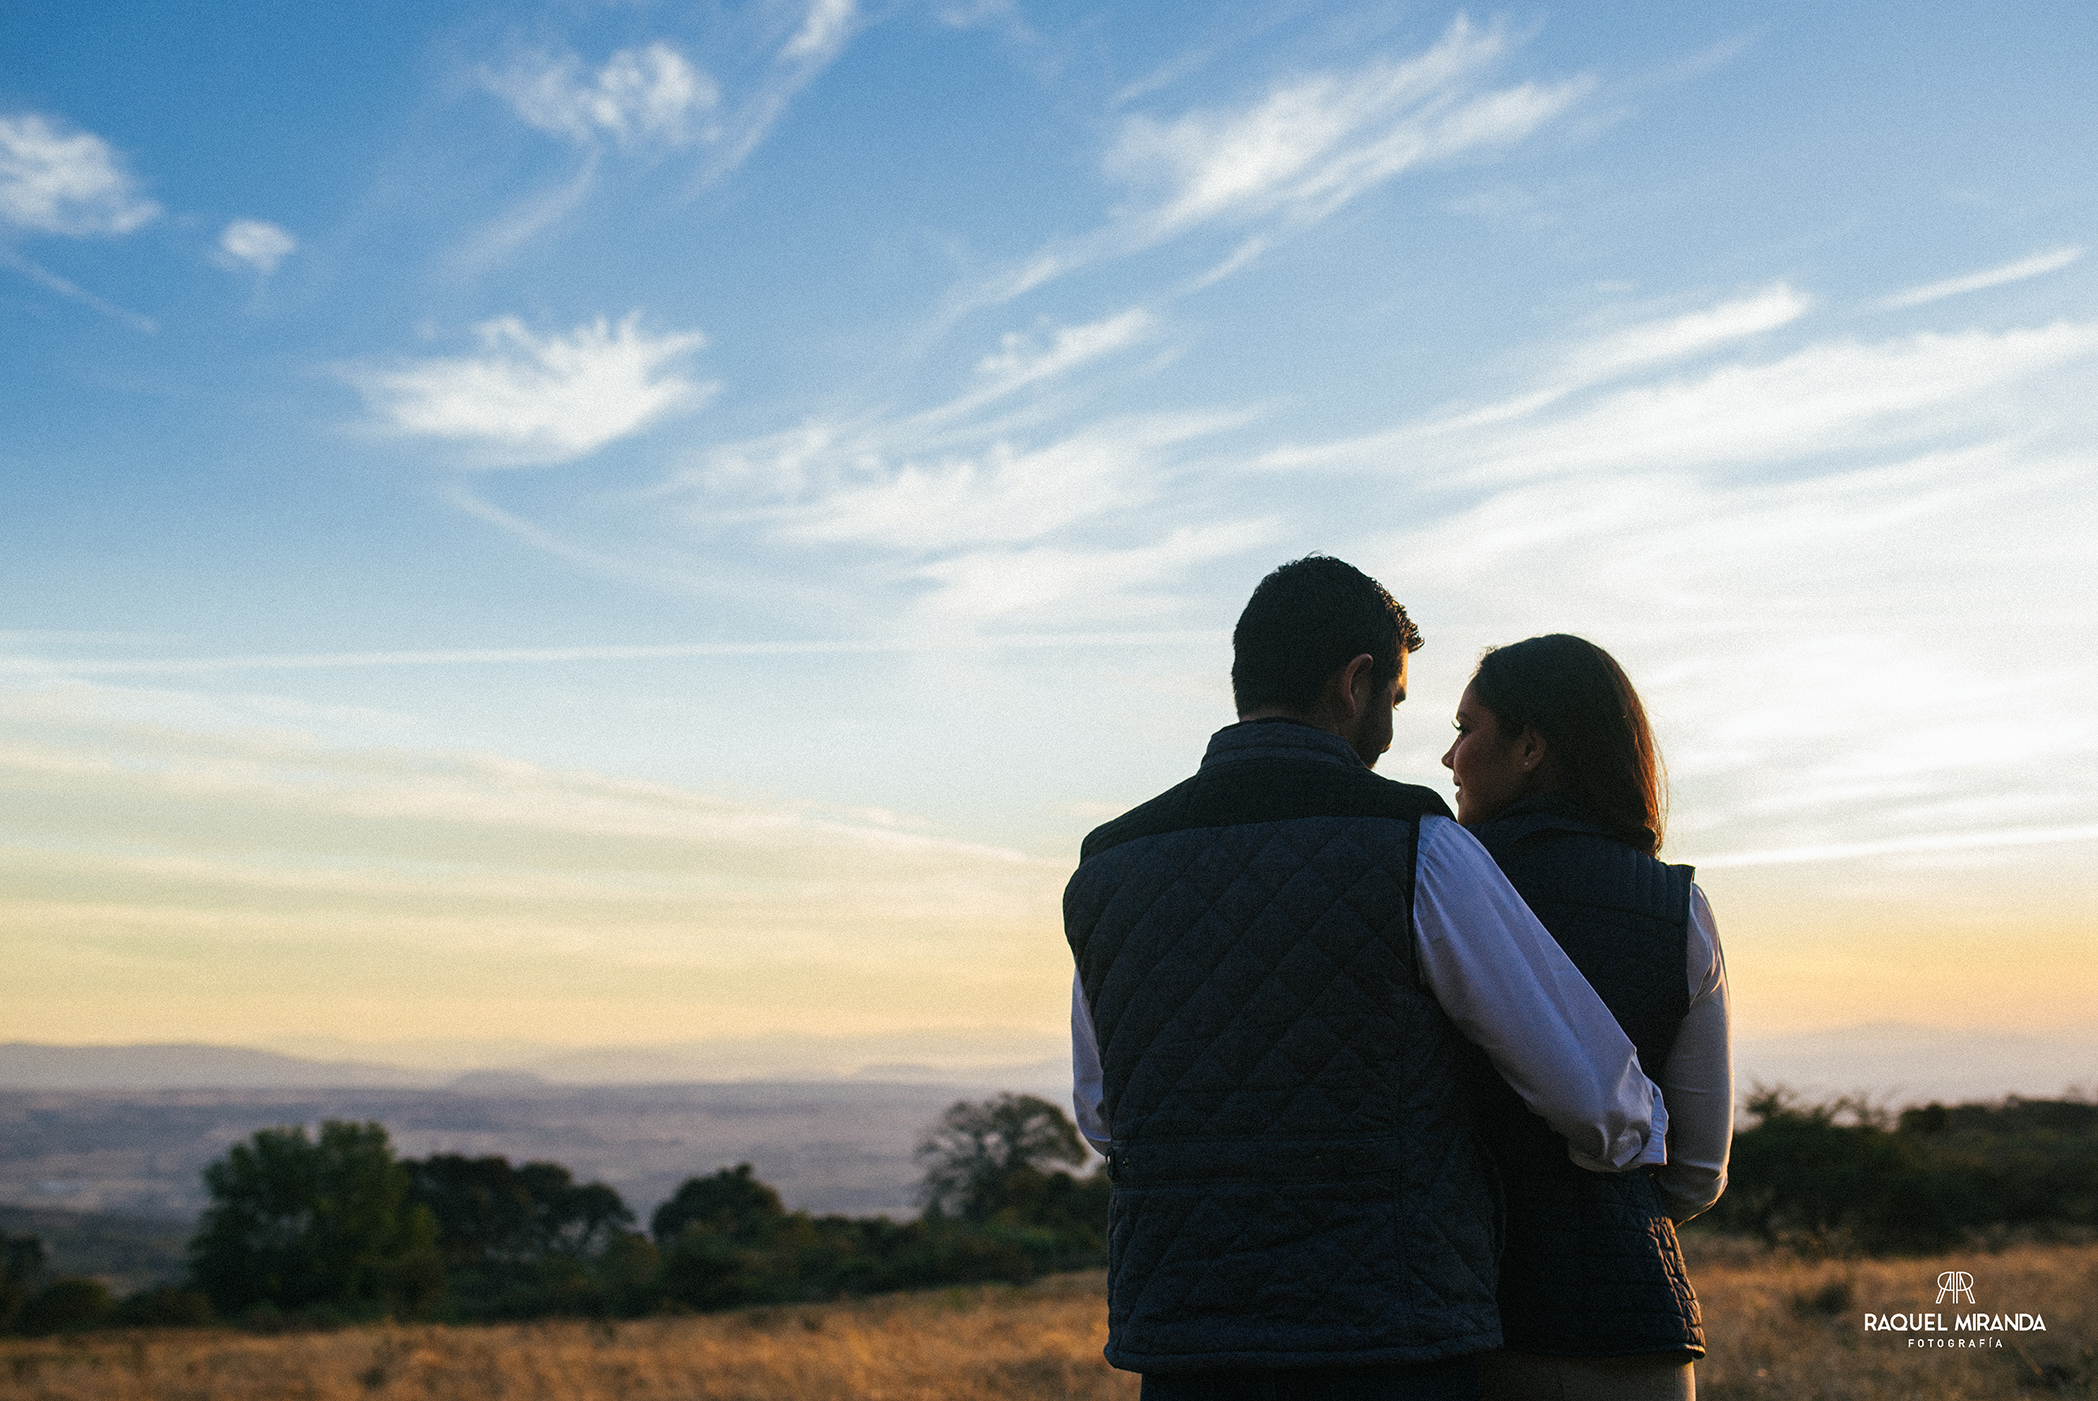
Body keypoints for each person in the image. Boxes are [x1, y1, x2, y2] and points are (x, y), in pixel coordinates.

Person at [1065, 556, 1671, 1400]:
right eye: (1393, 700)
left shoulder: (1110, 864)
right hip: (1392, 1345)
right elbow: (1588, 1088)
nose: (1391, 733)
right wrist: (1644, 1142)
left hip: (1186, 1347)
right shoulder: (1416, 841)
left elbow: (1104, 1115)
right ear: (1355, 683)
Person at [1440, 634, 1732, 1401]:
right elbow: (1698, 1170)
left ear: (1531, 746)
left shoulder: (1432, 897)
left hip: (1469, 1330)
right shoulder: (1680, 911)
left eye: (1465, 730)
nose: (1450, 759)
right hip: (1634, 1338)